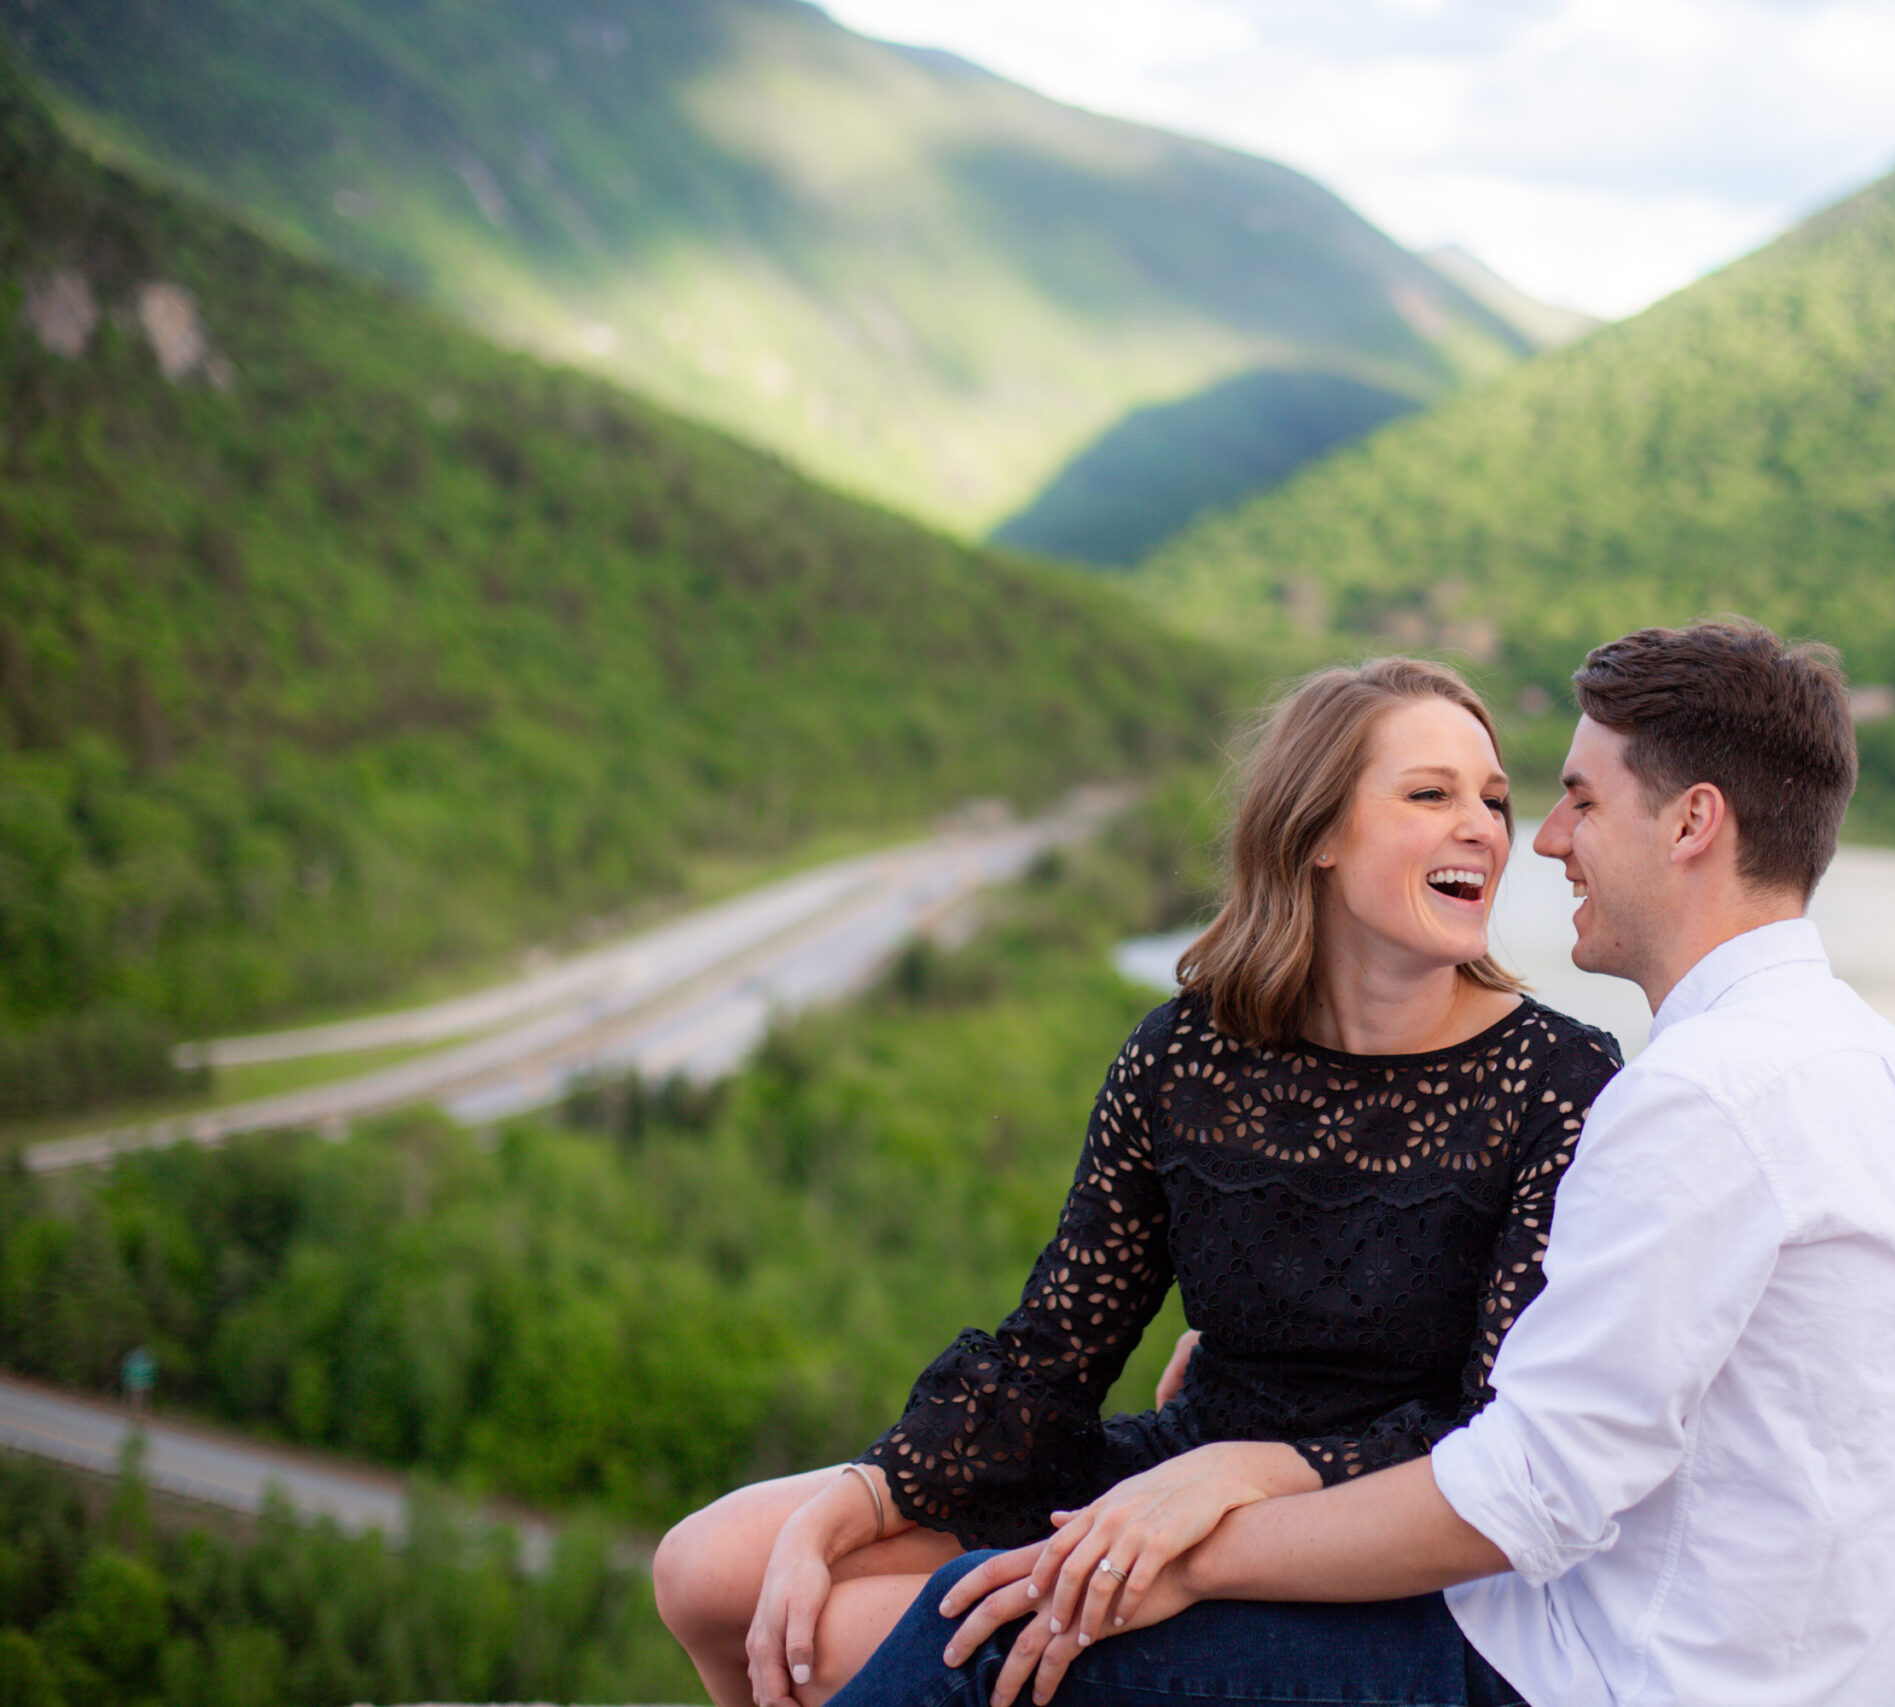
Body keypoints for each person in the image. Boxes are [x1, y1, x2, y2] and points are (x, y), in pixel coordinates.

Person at [843, 618, 1895, 1707]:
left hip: (1606, 1677)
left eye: (1580, 801)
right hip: (1795, 1670)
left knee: (979, 1630)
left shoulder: (1700, 1097)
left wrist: (1195, 1545)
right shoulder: (1871, 1065)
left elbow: (1530, 1490)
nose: (1544, 842)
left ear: (1693, 823)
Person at [652, 657, 1623, 1707]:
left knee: (846, 1637)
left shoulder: (1560, 1080)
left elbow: (1494, 1432)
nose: (1484, 826)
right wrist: (849, 1504)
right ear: (1318, 836)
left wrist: (1244, 1478)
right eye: (1429, 794)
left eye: (1492, 798)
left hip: (1359, 1534)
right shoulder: (1186, 1055)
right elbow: (1052, 1351)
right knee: (710, 1570)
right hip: (1179, 1463)